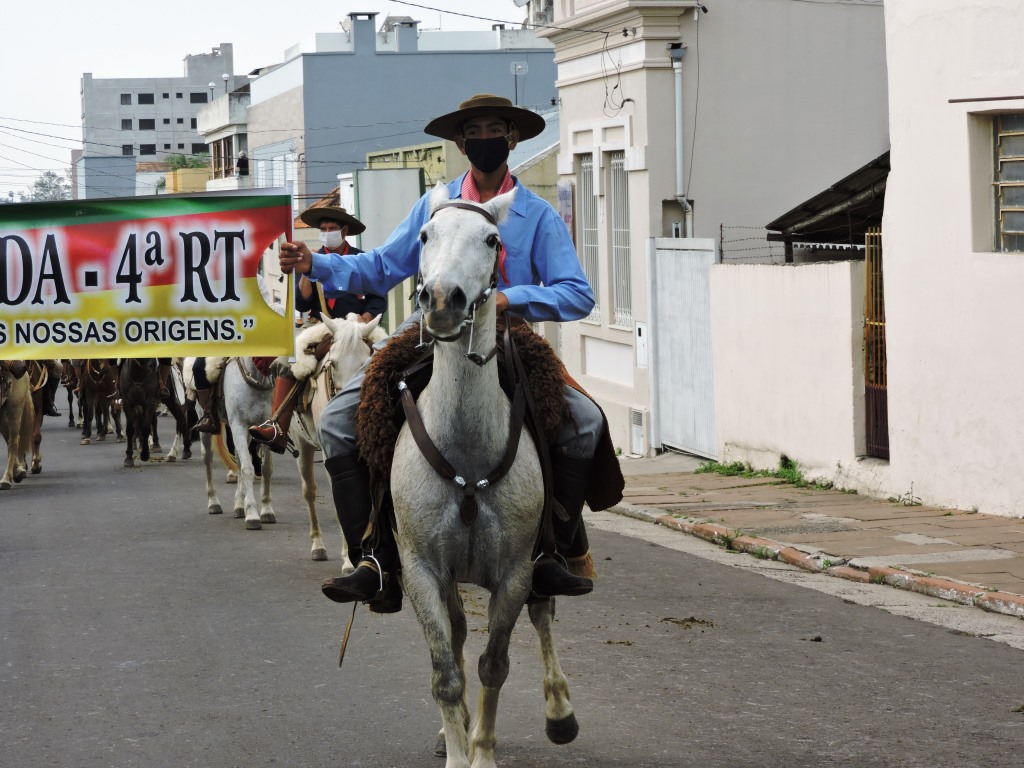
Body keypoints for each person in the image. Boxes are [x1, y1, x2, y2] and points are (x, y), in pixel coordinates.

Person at [273, 94, 605, 611]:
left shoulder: (538, 215)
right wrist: (315, 263)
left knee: (585, 421)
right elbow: (381, 267)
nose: (487, 137)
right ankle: (374, 557)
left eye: (498, 128)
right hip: (427, 328)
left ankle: (553, 551)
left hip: (509, 334)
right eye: (476, 130)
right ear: (460, 141)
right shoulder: (434, 205)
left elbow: (576, 293)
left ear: (512, 139)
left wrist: (509, 297)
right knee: (338, 421)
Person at [247, 206, 386, 454]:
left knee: (391, 359)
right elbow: (302, 304)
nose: (327, 233)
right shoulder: (310, 261)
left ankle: (391, 423)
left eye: (332, 229)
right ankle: (278, 427)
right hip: (323, 327)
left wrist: (364, 319)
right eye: (323, 229)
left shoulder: (361, 259)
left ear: (344, 231)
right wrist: (303, 280)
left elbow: (378, 299)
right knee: (285, 361)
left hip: (359, 327)